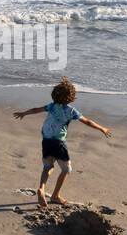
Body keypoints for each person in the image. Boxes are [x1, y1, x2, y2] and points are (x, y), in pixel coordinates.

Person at [13, 77, 112, 206]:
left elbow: (36, 109)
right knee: (66, 170)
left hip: (46, 141)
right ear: (71, 97)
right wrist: (102, 128)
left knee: (48, 166)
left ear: (54, 95)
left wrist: (23, 113)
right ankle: (55, 196)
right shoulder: (71, 111)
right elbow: (87, 121)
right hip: (59, 143)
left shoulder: (52, 106)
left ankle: (41, 188)